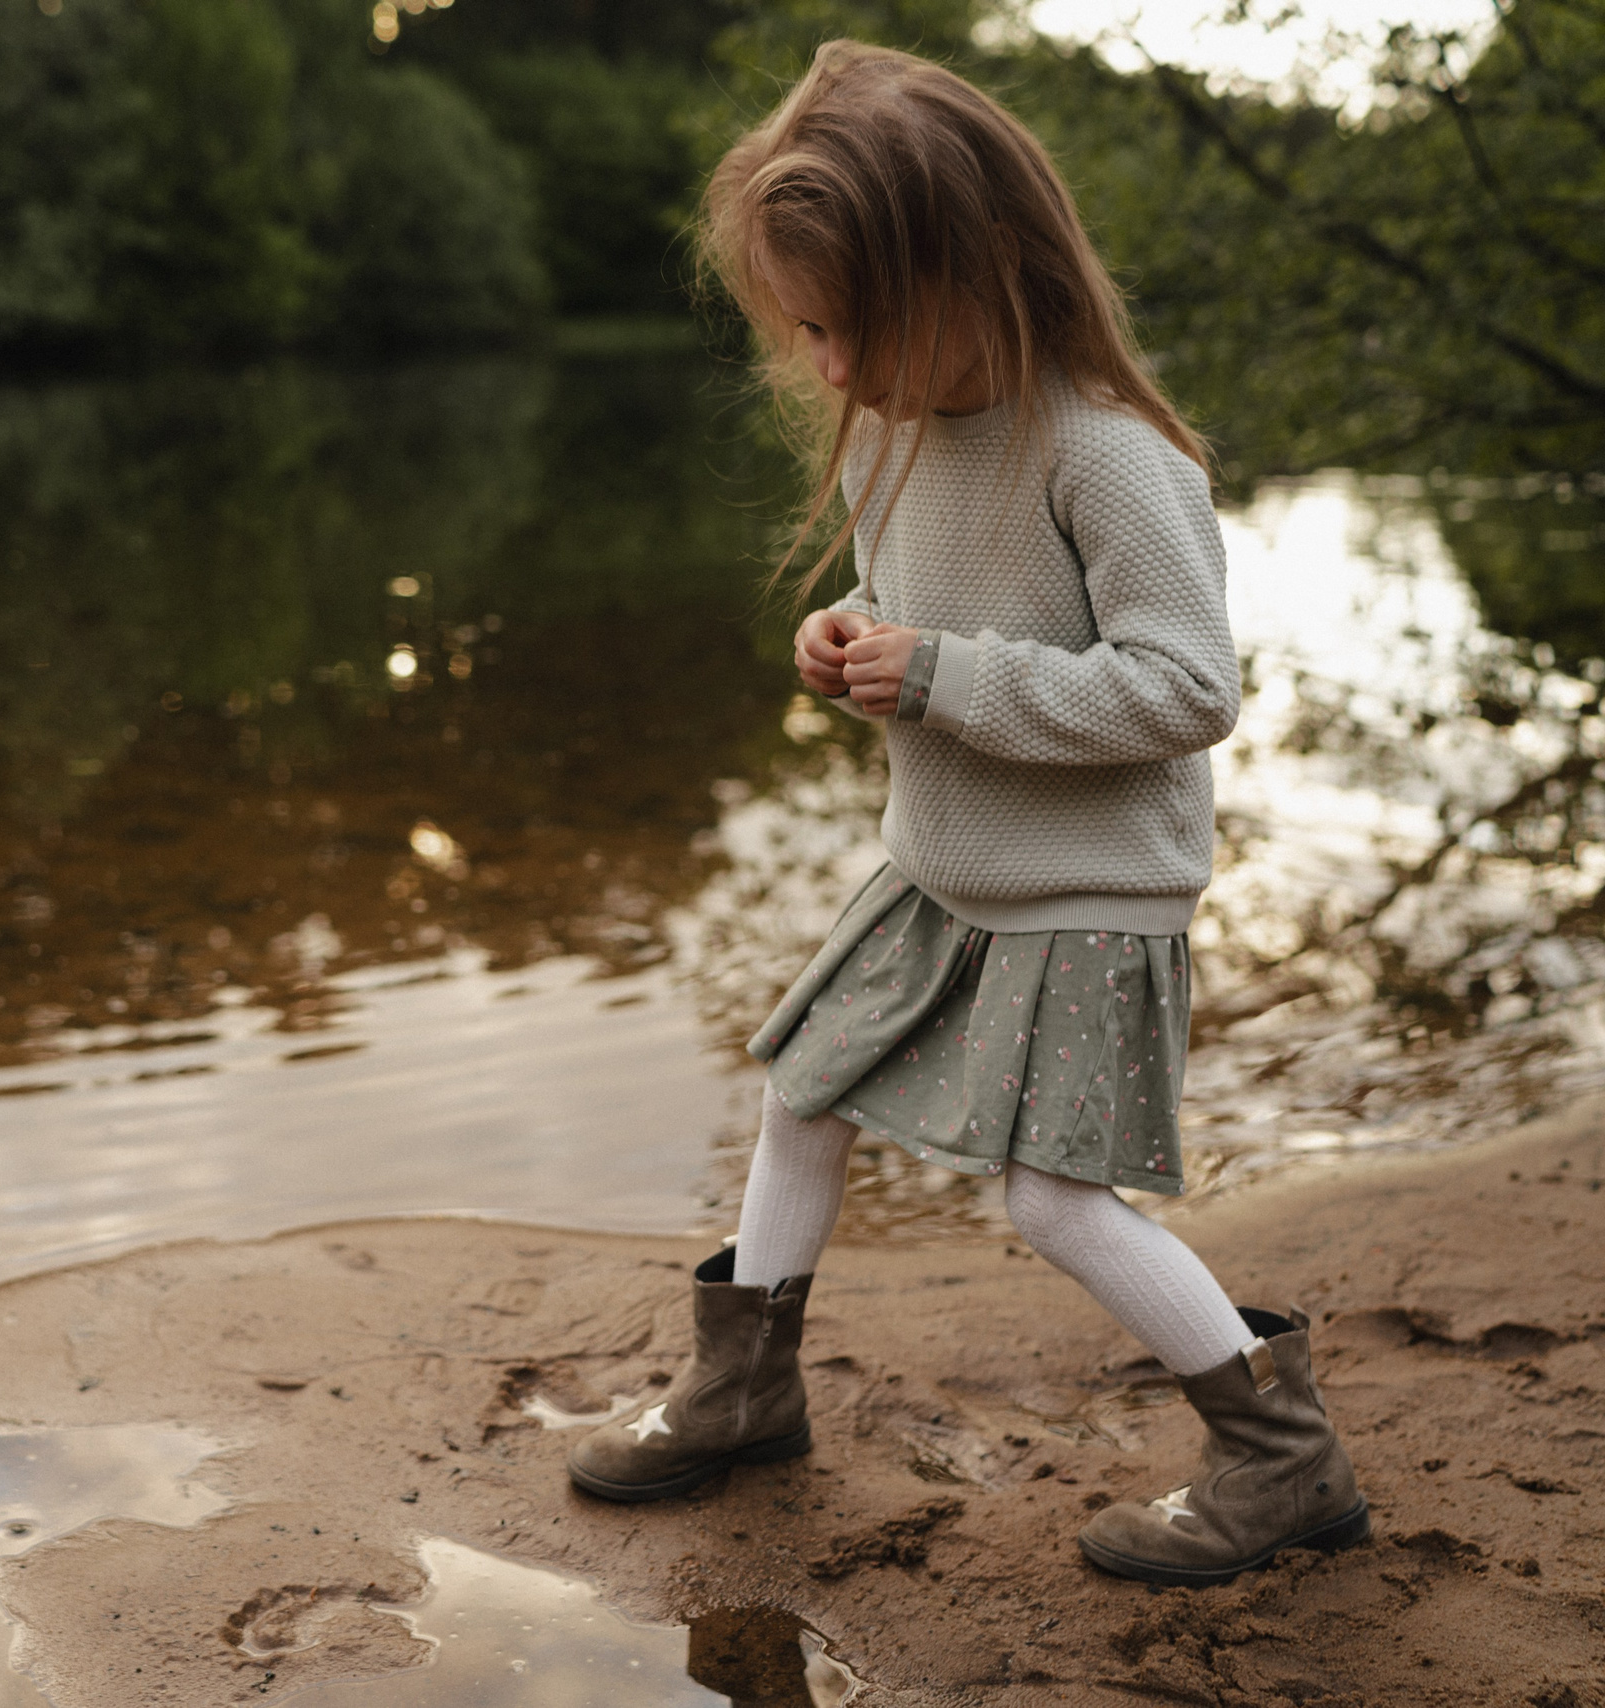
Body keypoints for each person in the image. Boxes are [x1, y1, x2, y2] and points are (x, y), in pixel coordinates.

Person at [565, 40, 1369, 1587]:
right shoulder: (898, 433)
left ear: (988, 269)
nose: (836, 373)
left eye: (859, 328)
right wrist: (855, 635)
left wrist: (941, 677)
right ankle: (744, 1394)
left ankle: (1287, 1460)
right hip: (936, 868)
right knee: (804, 1089)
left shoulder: (1112, 460)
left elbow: (1185, 689)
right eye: (807, 333)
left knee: (1055, 1202)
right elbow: (922, 607)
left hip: (1083, 888)